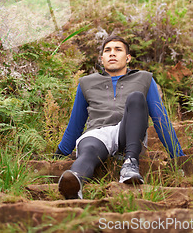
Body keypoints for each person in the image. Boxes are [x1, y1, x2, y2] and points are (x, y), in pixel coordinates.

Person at [55, 35, 185, 199]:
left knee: (136, 97)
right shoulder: (86, 83)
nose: (112, 54)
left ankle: (130, 164)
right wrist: (58, 156)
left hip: (130, 133)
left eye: (118, 50)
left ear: (128, 58)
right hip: (97, 134)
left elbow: (161, 119)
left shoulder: (144, 79)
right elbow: (75, 124)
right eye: (107, 50)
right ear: (102, 59)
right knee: (88, 150)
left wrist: (178, 157)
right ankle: (74, 182)